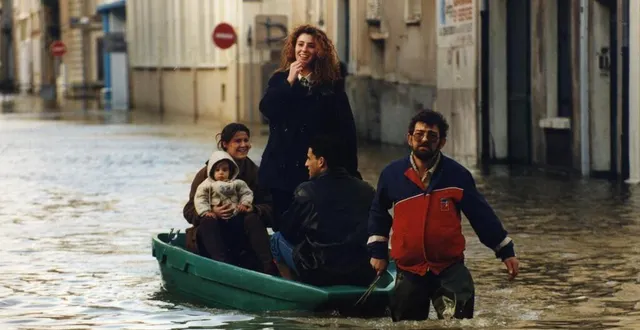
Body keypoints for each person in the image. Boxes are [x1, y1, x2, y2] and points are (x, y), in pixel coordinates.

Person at [367, 110, 520, 321]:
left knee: (458, 323)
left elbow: (481, 216)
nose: (424, 140)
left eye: (432, 136)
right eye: (419, 134)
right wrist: (378, 252)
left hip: (450, 270)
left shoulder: (458, 175)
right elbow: (378, 212)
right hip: (409, 270)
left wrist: (506, 251)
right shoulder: (391, 175)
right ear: (409, 138)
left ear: (442, 143)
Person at [259, 24, 360, 224]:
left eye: (311, 46)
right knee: (284, 224)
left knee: (315, 225)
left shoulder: (330, 85)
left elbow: (346, 132)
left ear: (319, 51)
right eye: (300, 44)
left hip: (314, 169)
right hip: (282, 169)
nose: (304, 50)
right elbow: (267, 110)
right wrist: (289, 81)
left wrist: (350, 172)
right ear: (293, 47)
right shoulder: (280, 79)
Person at [270, 135, 376, 286]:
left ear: (321, 162)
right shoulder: (367, 190)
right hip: (362, 271)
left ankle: (293, 290)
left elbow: (288, 231)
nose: (306, 163)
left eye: (309, 158)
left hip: (320, 272)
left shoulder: (306, 191)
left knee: (276, 239)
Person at [183, 123, 278, 276]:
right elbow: (188, 211)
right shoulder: (205, 175)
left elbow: (271, 208)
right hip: (212, 238)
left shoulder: (255, 173)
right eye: (238, 141)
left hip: (241, 237)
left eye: (246, 140)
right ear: (225, 144)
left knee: (252, 218)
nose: (244, 145)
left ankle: (269, 269)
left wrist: (253, 208)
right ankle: (223, 268)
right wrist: (210, 211)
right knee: (209, 221)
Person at [193, 151, 254, 219]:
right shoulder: (206, 185)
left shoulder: (237, 183)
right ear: (212, 171)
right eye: (217, 170)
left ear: (230, 171)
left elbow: (246, 193)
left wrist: (244, 204)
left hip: (235, 213)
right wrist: (206, 211)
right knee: (208, 221)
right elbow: (200, 198)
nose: (221, 172)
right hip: (215, 217)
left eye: (224, 170)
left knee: (249, 218)